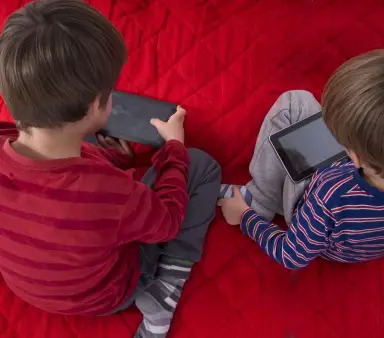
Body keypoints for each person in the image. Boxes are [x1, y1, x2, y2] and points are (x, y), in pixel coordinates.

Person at [0, 1, 221, 337]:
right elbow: (168, 221)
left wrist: (111, 159)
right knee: (201, 164)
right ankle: (165, 292)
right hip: (105, 296)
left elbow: (48, 187)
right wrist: (174, 148)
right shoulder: (111, 191)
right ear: (94, 107)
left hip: (30, 289)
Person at [219, 49, 384, 269]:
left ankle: (259, 200)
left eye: (345, 143)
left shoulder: (331, 193)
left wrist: (245, 218)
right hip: (382, 216)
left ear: (356, 158)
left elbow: (291, 255)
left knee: (295, 101)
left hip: (326, 234)